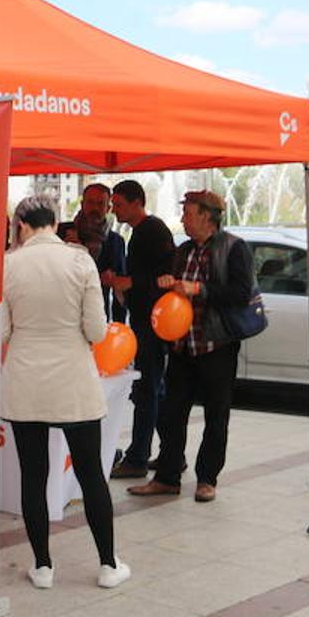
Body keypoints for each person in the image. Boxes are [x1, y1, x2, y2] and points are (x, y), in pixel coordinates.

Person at [3, 195, 129, 590]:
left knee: (33, 476)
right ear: (55, 224)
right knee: (92, 473)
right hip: (73, 381)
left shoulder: (8, 265)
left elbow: (2, 331)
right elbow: (96, 331)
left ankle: (42, 566)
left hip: (25, 381)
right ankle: (108, 564)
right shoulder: (80, 261)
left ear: (21, 225)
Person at [129, 190, 255, 503]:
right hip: (183, 344)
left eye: (187, 212)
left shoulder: (234, 248)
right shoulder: (183, 250)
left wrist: (198, 289)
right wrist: (169, 284)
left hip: (217, 344)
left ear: (206, 216)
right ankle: (167, 477)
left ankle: (207, 479)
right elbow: (177, 289)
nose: (183, 218)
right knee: (173, 414)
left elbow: (241, 293)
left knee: (216, 414)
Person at [105, 180, 177, 479]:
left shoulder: (153, 230)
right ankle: (173, 453)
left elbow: (165, 274)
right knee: (152, 389)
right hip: (145, 319)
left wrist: (128, 283)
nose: (114, 210)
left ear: (137, 203)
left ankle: (138, 456)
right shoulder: (139, 233)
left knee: (147, 388)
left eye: (119, 204)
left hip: (153, 322)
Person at [59, 183, 127, 322]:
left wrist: (119, 326)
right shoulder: (62, 232)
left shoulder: (115, 241)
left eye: (100, 203)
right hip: (63, 315)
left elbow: (119, 289)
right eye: (90, 202)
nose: (95, 208)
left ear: (108, 208)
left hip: (97, 318)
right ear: (82, 204)